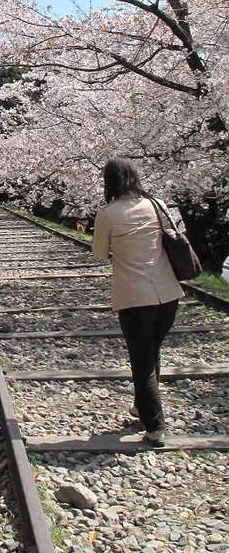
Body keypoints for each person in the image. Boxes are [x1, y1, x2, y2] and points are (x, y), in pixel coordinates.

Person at [92, 157, 184, 447]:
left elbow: (98, 253)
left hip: (134, 297)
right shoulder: (156, 204)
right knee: (151, 352)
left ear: (110, 182)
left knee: (142, 362)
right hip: (168, 295)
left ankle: (155, 426)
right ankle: (141, 405)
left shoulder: (108, 214)